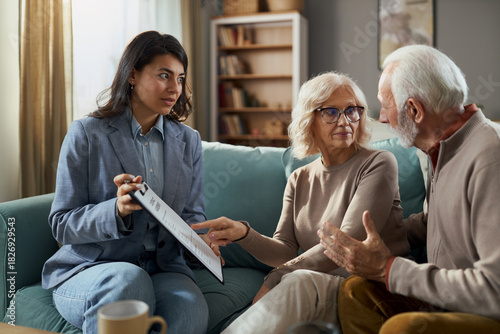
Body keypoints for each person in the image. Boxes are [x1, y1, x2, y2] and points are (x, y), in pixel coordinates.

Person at [191, 71, 411, 333]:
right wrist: (244, 234)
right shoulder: (300, 178)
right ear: (310, 120)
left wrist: (276, 277)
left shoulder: (379, 163)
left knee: (299, 281)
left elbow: (343, 244)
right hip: (322, 288)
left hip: (370, 290)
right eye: (331, 112)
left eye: (352, 110)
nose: (345, 121)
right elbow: (284, 250)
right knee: (299, 280)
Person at [319, 45, 500, 333]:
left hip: (483, 312)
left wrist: (387, 268)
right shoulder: (443, 148)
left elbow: (494, 290)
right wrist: (381, 235)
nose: (382, 119)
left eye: (385, 105)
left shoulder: (489, 157)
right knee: (356, 291)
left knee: (403, 327)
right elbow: (439, 222)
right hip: (444, 299)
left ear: (414, 110)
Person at [41, 31, 213, 334]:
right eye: (164, 75)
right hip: (93, 266)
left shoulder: (189, 141)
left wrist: (203, 243)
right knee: (129, 283)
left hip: (163, 269)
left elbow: (192, 216)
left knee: (190, 312)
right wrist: (116, 210)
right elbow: (62, 223)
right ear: (132, 75)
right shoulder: (86, 133)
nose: (175, 88)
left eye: (180, 78)